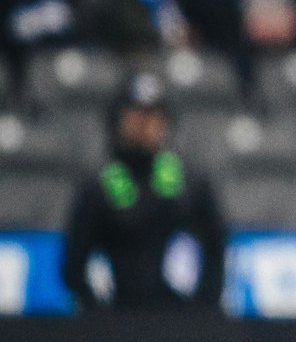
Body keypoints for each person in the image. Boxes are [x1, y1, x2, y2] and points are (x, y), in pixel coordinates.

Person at [60, 73, 227, 311]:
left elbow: (216, 247)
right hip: (117, 319)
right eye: (135, 114)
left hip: (180, 322)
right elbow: (73, 266)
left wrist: (201, 311)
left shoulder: (189, 181)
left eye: (154, 115)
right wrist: (98, 316)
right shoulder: (100, 183)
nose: (145, 124)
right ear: (117, 119)